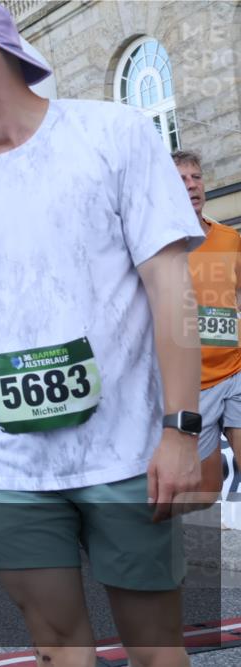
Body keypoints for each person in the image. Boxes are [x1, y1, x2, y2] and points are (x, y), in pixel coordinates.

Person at [0, 2, 203, 664]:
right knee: (56, 647)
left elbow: (171, 291)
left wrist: (181, 430)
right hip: (6, 468)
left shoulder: (115, 134)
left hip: (126, 454)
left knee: (156, 649)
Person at [175, 150, 241, 504]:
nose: (191, 186)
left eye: (196, 177)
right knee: (206, 493)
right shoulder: (162, 248)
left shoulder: (230, 239)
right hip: (193, 387)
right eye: (182, 180)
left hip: (235, 371)